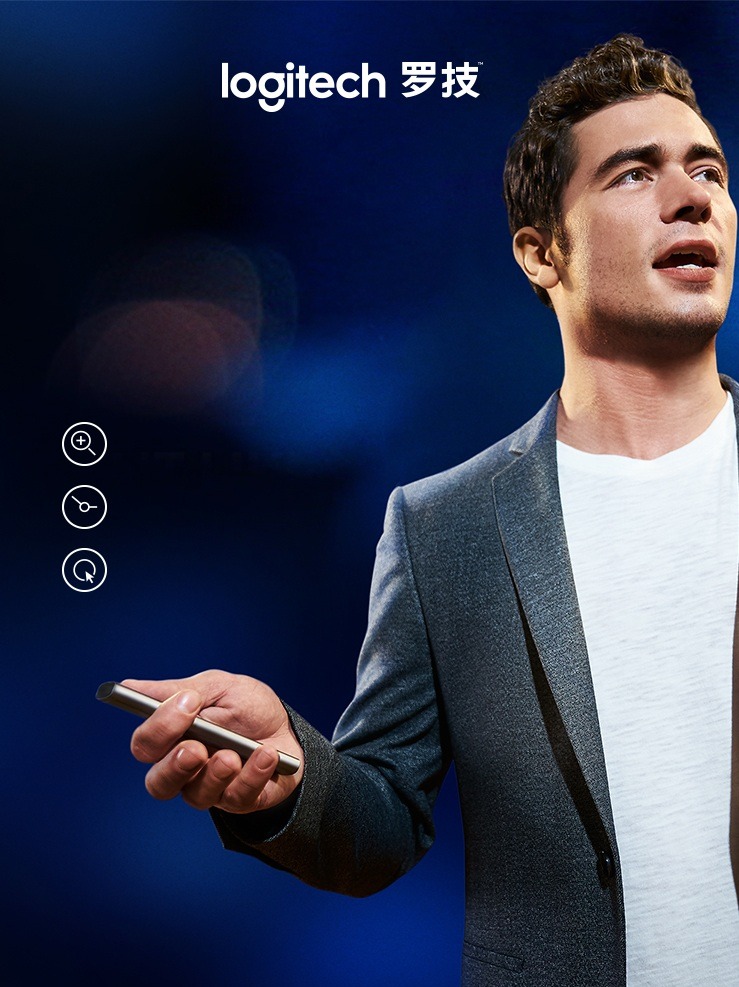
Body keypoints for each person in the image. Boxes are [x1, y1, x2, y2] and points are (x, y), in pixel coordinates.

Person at [122, 35, 739, 986]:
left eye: (706, 171)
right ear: (541, 254)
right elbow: (375, 821)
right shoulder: (440, 524)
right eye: (632, 174)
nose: (690, 197)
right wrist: (286, 767)